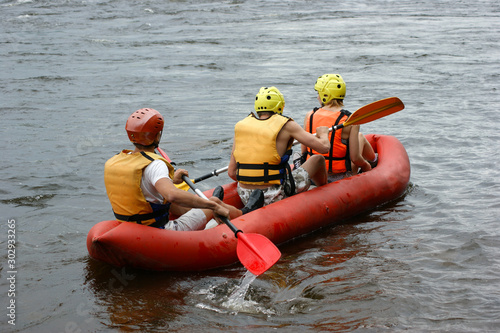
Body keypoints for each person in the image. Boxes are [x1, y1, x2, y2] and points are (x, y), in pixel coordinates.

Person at [104, 108, 264, 231]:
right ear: (157, 136)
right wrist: (211, 206)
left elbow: (140, 185)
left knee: (170, 203)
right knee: (213, 202)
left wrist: (172, 179)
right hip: (159, 231)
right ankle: (245, 212)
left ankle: (210, 208)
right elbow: (171, 194)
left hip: (133, 226)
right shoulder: (155, 164)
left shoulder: (118, 160)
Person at [228, 86, 331, 206]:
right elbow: (324, 148)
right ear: (280, 106)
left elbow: (231, 172)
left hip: (245, 195)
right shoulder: (287, 125)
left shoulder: (241, 126)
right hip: (274, 194)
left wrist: (255, 180)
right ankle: (325, 192)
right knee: (317, 159)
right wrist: (323, 134)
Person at [302, 74, 377, 183]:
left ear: (325, 95)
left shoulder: (310, 115)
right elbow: (355, 158)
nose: (317, 96)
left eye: (318, 93)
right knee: (360, 137)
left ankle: (374, 159)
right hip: (339, 176)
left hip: (314, 175)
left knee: (360, 137)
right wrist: (366, 166)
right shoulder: (350, 120)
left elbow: (304, 151)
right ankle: (374, 161)